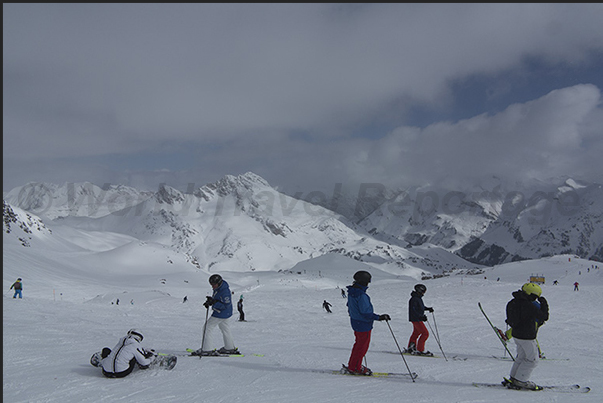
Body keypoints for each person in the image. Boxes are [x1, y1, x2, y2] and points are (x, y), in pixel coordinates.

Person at [504, 282, 549, 390]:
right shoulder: (528, 305)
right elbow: (543, 316)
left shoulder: (513, 302)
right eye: (535, 297)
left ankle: (514, 377)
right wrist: (544, 305)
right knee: (532, 360)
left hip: (517, 335)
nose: (535, 299)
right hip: (527, 336)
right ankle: (521, 381)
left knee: (521, 357)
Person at [344, 270, 390, 375]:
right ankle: (355, 367)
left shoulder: (352, 292)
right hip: (363, 323)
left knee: (358, 345)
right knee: (362, 347)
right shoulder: (361, 295)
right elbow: (366, 312)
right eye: (367, 282)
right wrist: (379, 317)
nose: (368, 284)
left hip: (356, 322)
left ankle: (353, 365)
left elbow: (350, 307)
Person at [196, 274, 239, 355]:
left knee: (207, 328)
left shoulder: (225, 291)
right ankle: (229, 348)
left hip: (221, 313)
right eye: (211, 284)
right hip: (223, 313)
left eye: (214, 284)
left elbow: (226, 305)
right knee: (225, 329)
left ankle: (207, 349)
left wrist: (214, 303)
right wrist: (211, 301)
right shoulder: (219, 288)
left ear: (219, 283)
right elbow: (218, 299)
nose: (212, 286)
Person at [406, 284, 434, 356]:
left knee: (416, 333)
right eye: (423, 291)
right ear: (420, 290)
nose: (424, 293)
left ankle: (411, 347)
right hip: (416, 319)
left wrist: (427, 308)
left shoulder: (417, 298)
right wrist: (420, 317)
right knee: (425, 333)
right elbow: (414, 310)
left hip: (416, 318)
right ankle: (420, 350)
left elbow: (419, 307)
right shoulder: (415, 299)